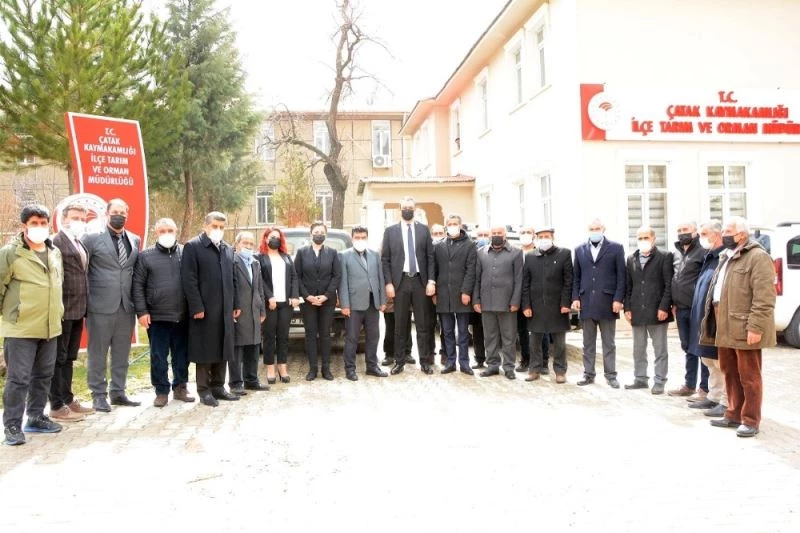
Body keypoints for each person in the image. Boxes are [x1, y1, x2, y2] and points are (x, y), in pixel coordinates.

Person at [700, 216, 776, 438]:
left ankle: (751, 420)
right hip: (724, 322)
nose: (723, 235)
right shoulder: (727, 255)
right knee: (730, 372)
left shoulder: (758, 257)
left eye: (727, 231)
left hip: (744, 325)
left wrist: (756, 327)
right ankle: (733, 414)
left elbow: (764, 297)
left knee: (749, 376)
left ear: (742, 234)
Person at [1, 205, 64, 445]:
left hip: (50, 327)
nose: (39, 227)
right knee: (18, 379)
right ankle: (12, 426)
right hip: (21, 328)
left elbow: (58, 284)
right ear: (24, 226)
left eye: (43, 223)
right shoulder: (11, 253)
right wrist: (10, 317)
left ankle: (36, 417)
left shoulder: (54, 252)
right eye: (34, 223)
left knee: (44, 375)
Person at [82, 198, 141, 411]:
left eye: (123, 213)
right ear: (107, 214)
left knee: (121, 353)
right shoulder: (91, 239)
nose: (119, 216)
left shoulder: (134, 239)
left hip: (126, 307)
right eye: (115, 212)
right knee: (98, 354)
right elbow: (83, 271)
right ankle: (98, 395)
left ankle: (118, 392)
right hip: (100, 306)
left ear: (127, 215)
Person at [132, 218, 195, 407]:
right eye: (162, 231)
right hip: (157, 316)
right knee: (158, 356)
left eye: (170, 230)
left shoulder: (186, 252)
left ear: (176, 231)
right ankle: (161, 391)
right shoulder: (145, 256)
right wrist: (142, 312)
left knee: (182, 355)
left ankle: (180, 387)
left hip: (182, 315)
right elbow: (138, 285)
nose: (166, 234)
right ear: (156, 233)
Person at [181, 212, 241, 407]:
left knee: (223, 348)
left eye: (221, 227)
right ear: (205, 226)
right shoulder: (193, 246)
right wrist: (197, 306)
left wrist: (236, 304)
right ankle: (204, 390)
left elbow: (233, 279)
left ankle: (218, 387)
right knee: (205, 350)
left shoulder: (227, 249)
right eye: (215, 226)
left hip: (225, 309)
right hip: (204, 310)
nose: (218, 230)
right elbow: (189, 280)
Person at [48, 203, 93, 422]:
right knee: (58, 357)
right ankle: (56, 404)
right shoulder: (55, 242)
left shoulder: (78, 241)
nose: (80, 222)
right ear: (64, 218)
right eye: (75, 218)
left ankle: (68, 398)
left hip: (78, 309)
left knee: (69, 357)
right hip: (63, 308)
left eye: (83, 219)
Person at [381, 196, 435, 375]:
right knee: (400, 325)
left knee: (422, 324)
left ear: (414, 209)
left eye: (410, 207)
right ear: (400, 209)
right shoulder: (390, 231)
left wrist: (431, 281)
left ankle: (425, 361)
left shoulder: (423, 230)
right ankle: (399, 361)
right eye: (404, 207)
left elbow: (430, 257)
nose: (407, 210)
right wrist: (389, 283)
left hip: (420, 282)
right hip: (400, 282)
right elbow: (385, 260)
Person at [572, 218, 626, 388]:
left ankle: (611, 375)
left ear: (603, 229)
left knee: (609, 343)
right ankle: (588, 374)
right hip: (586, 302)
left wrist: (618, 299)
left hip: (608, 303)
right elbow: (576, 277)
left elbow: (621, 276)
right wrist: (575, 298)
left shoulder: (616, 248)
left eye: (597, 228)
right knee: (588, 343)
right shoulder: (579, 250)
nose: (594, 231)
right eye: (592, 229)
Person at [623, 226, 674, 395]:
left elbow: (668, 284)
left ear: (653, 239)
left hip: (658, 311)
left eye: (646, 237)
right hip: (637, 310)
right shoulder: (631, 258)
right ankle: (640, 379)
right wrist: (627, 307)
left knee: (660, 349)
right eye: (640, 238)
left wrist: (664, 307)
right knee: (638, 348)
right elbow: (628, 285)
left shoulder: (664, 257)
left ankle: (659, 381)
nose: (643, 241)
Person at [521, 227, 573, 384]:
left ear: (553, 237)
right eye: (541, 236)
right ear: (537, 239)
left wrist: (566, 303)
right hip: (535, 306)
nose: (544, 239)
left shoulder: (564, 254)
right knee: (534, 341)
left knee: (559, 343)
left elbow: (568, 281)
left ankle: (560, 371)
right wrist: (526, 305)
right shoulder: (530, 256)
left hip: (558, 306)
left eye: (547, 236)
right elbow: (525, 283)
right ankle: (534, 369)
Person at [687, 221, 728, 417]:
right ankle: (714, 396)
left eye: (704, 234)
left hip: (716, 320)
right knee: (709, 360)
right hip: (702, 319)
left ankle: (726, 401)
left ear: (716, 234)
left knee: (720, 362)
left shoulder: (724, 256)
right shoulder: (709, 256)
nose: (700, 238)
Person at [473, 225, 523, 380]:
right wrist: (476, 299)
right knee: (490, 337)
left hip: (507, 303)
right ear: (490, 235)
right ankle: (492, 365)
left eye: (499, 233)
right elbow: (477, 278)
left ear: (505, 235)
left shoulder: (516, 252)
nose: (496, 235)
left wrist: (515, 301)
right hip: (486, 302)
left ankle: (509, 367)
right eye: (493, 233)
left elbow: (519, 279)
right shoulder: (481, 253)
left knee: (509, 338)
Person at [339, 226, 388, 381]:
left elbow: (380, 278)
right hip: (353, 304)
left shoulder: (374, 255)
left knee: (373, 336)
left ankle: (372, 366)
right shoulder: (344, 256)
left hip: (373, 303)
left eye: (363, 237)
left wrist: (382, 300)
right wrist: (345, 304)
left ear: (367, 238)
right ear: (352, 238)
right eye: (357, 237)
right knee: (352, 338)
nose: (360, 240)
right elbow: (342, 282)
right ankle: (350, 369)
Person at [294, 222, 341, 381]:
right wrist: (307, 296)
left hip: (327, 301)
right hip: (308, 301)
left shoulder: (332, 253)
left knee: (326, 334)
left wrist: (326, 295)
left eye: (322, 232)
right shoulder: (301, 253)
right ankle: (312, 369)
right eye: (316, 232)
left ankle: (326, 369)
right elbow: (297, 276)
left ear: (326, 235)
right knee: (310, 334)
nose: (319, 234)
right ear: (311, 234)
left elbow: (336, 276)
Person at [668, 221, 709, 397]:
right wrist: (673, 303)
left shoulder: (703, 251)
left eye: (685, 230)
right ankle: (689, 385)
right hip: (681, 308)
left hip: (697, 308)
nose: (682, 233)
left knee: (702, 347)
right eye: (679, 230)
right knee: (688, 347)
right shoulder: (676, 253)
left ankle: (705, 387)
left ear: (695, 232)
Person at [434, 214, 477, 375]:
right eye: (450, 223)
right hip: (443, 295)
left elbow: (471, 270)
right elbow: (435, 269)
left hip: (461, 295)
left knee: (463, 333)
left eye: (455, 223)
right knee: (447, 331)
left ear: (460, 225)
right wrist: (435, 291)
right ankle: (450, 362)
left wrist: (466, 291)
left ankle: (464, 363)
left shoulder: (470, 245)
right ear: (446, 226)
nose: (452, 226)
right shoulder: (439, 245)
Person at [258, 227, 299, 383]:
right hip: (270, 304)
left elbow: (294, 277)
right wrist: (270, 296)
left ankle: (282, 366)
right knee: (269, 336)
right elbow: (260, 279)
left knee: (283, 336)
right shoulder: (260, 257)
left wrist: (294, 295)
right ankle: (270, 368)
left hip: (286, 304)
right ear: (266, 238)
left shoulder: (286, 257)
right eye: (271, 236)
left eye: (277, 237)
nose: (275, 239)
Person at [230, 231, 268, 394]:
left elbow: (259, 288)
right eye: (245, 243)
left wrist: (262, 309)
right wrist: (232, 307)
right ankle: (236, 383)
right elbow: (230, 287)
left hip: (254, 310)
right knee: (238, 348)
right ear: (237, 244)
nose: (248, 246)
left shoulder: (255, 263)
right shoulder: (232, 261)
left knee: (254, 346)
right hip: (239, 310)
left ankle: (251, 380)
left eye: (251, 243)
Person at [470, 228, 490, 369]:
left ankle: (493, 360)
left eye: (485, 235)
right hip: (475, 299)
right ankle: (479, 359)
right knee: (477, 331)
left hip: (491, 299)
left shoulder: (494, 252)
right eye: (480, 235)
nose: (482, 237)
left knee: (492, 332)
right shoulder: (472, 252)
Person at [428, 223, 446, 364]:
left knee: (445, 326)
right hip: (429, 293)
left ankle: (445, 353)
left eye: (440, 233)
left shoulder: (447, 249)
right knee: (429, 324)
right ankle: (430, 353)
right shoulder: (427, 249)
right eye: (435, 233)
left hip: (444, 293)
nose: (438, 236)